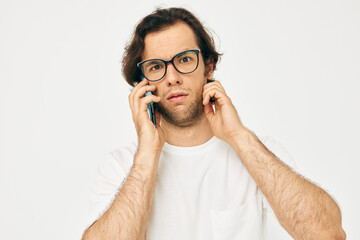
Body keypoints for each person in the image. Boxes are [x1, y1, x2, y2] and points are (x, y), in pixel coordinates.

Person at [82, 7, 346, 240]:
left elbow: (328, 235)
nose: (172, 78)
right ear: (142, 82)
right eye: (156, 67)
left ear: (208, 66)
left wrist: (237, 135)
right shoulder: (121, 166)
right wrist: (148, 152)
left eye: (184, 59)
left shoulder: (256, 152)